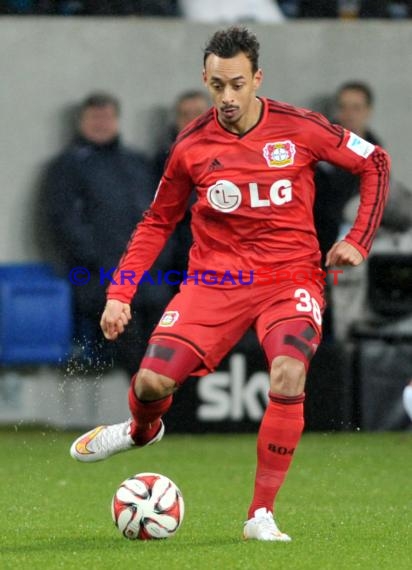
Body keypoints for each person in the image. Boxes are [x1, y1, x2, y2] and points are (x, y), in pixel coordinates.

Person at [70, 27, 390, 541]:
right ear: (205, 78)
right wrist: (120, 292)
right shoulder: (192, 145)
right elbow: (157, 221)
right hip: (215, 282)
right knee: (152, 383)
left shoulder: (300, 128)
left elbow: (374, 160)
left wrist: (358, 239)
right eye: (217, 86)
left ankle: (260, 514)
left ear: (257, 79)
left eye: (237, 84)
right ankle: (139, 431)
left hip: (290, 278)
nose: (227, 98)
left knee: (288, 373)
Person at [43, 92, 172, 374]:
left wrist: (159, 259)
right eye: (94, 117)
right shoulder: (68, 167)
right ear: (81, 121)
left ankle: (174, 401)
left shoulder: (137, 163)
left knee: (172, 329)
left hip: (149, 277)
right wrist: (102, 263)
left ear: (117, 119)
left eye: (107, 116)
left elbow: (163, 213)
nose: (101, 123)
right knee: (131, 335)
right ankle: (146, 401)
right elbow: (64, 221)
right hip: (98, 277)